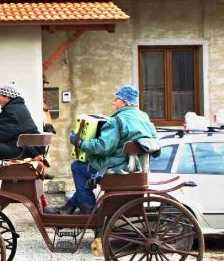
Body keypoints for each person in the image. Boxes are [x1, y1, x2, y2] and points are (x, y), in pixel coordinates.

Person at [56, 85, 158, 214]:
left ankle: (88, 208)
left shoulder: (116, 120)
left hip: (117, 169)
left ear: (125, 102)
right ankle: (68, 207)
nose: (113, 102)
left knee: (78, 166)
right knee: (85, 176)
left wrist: (79, 142)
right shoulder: (144, 118)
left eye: (116, 99)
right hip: (138, 170)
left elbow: (103, 147)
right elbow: (154, 140)